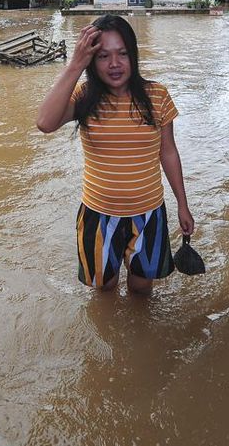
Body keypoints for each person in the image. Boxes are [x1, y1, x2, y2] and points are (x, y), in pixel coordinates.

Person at [36, 15, 194, 295]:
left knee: (141, 289)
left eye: (122, 54)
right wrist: (75, 64)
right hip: (98, 215)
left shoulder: (157, 96)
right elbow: (45, 123)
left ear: (133, 55)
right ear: (92, 62)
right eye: (103, 56)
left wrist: (183, 204)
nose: (114, 64)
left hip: (148, 214)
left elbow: (168, 152)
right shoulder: (84, 97)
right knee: (105, 290)